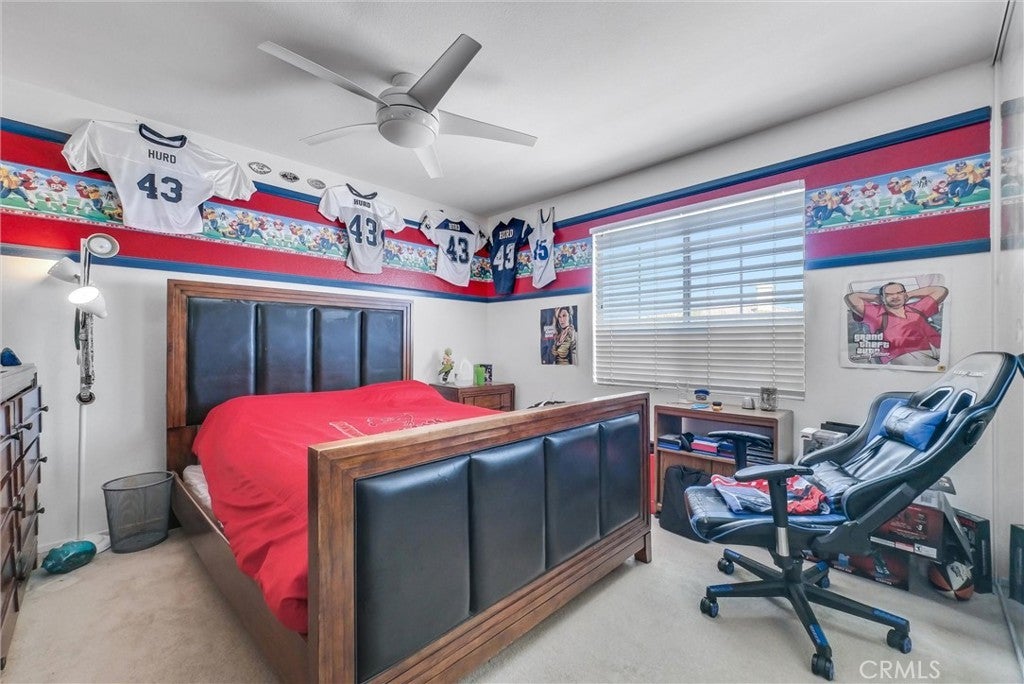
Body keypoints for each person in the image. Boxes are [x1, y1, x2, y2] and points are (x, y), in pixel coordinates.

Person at [844, 281, 948, 365]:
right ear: (882, 297)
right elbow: (851, 298)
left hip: (938, 347)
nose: (895, 297)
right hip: (906, 354)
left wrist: (909, 295)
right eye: (889, 294)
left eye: (899, 293)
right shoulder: (875, 313)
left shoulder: (917, 307)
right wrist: (878, 298)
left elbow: (941, 290)